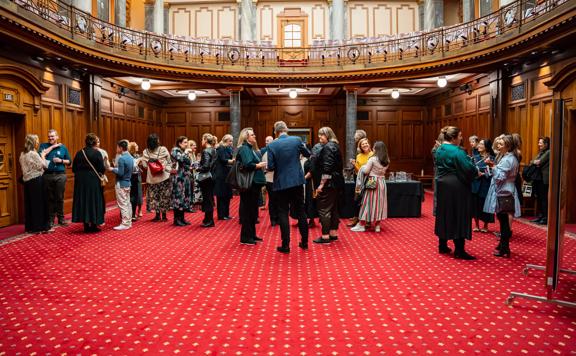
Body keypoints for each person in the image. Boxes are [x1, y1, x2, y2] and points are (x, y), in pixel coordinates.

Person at [434, 126, 478, 260]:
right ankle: (459, 250)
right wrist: (476, 171)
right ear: (453, 138)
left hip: (442, 184)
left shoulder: (439, 149)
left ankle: (442, 245)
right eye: (459, 136)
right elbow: (468, 168)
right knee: (459, 214)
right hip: (456, 186)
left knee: (444, 213)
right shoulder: (457, 151)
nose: (461, 138)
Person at [267, 121, 311, 253]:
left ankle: (285, 245)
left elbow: (271, 166)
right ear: (286, 129)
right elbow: (308, 154)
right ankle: (304, 242)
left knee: (283, 213)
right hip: (297, 181)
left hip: (281, 183)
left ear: (275, 132)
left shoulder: (272, 145)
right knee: (301, 211)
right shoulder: (297, 140)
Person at [484, 135, 521, 257]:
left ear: (508, 146)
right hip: (506, 190)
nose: (498, 146)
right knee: (502, 220)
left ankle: (505, 248)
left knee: (504, 222)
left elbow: (500, 177)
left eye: (500, 144)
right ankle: (502, 245)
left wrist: (492, 166)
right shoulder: (509, 157)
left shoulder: (507, 159)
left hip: (504, 191)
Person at [313, 127, 344, 244]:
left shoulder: (327, 147)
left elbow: (327, 169)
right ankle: (333, 234)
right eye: (319, 135)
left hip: (329, 183)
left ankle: (325, 236)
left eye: (322, 135)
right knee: (334, 209)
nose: (319, 137)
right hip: (336, 183)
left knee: (324, 209)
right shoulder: (335, 146)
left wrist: (321, 185)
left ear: (328, 135)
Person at [236, 128, 267, 245]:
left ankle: (252, 235)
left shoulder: (249, 148)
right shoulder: (244, 148)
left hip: (254, 183)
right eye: (252, 135)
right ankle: (245, 237)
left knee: (253, 210)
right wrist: (259, 165)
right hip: (249, 183)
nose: (254, 136)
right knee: (248, 210)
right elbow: (248, 164)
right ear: (246, 137)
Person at [351, 141, 389, 233]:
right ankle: (377, 226)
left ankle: (362, 224)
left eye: (374, 147)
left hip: (372, 181)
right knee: (380, 204)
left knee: (368, 203)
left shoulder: (373, 159)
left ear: (376, 149)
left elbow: (366, 171)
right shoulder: (387, 160)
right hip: (382, 182)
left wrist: (363, 167)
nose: (373, 148)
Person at [71, 133, 106, 233]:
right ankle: (94, 224)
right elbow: (102, 169)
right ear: (94, 142)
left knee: (83, 201)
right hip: (93, 181)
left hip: (80, 182)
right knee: (93, 201)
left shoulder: (79, 153)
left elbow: (74, 169)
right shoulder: (97, 153)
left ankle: (86, 225)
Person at [19, 134, 53, 234]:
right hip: (37, 180)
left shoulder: (22, 154)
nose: (38, 142)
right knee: (40, 204)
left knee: (30, 204)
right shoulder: (33, 153)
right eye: (37, 140)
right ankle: (40, 227)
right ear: (33, 142)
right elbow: (44, 165)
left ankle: (30, 227)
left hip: (27, 181)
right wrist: (43, 156)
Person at [39, 129, 71, 228]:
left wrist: (61, 160)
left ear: (57, 137)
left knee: (59, 197)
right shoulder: (43, 146)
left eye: (52, 136)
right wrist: (53, 146)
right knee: (50, 198)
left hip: (60, 175)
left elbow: (69, 162)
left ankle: (61, 219)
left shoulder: (63, 148)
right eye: (49, 136)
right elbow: (41, 156)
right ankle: (51, 220)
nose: (50, 138)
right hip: (47, 175)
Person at [140, 133, 172, 222]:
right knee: (164, 195)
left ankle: (157, 215)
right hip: (164, 176)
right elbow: (169, 161)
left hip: (152, 178)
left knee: (155, 196)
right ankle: (164, 216)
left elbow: (145, 166)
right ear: (157, 141)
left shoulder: (145, 152)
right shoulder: (163, 149)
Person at [109, 140, 134, 230]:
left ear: (120, 148)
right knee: (128, 203)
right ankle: (129, 222)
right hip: (128, 183)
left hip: (121, 183)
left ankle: (125, 223)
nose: (116, 149)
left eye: (117, 147)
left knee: (123, 204)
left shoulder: (122, 158)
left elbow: (120, 173)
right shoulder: (130, 157)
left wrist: (112, 169)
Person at [471, 139, 495, 233]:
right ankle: (476, 225)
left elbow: (494, 171)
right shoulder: (475, 157)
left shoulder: (492, 158)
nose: (479, 145)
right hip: (476, 183)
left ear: (486, 146)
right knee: (475, 204)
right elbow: (471, 169)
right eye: (479, 143)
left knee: (485, 203)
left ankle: (485, 225)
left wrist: (484, 174)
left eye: (481, 144)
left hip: (486, 183)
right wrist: (476, 173)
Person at [349, 138, 374, 227]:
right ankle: (356, 218)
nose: (365, 145)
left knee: (369, 200)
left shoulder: (373, 155)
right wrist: (354, 164)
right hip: (359, 180)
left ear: (369, 144)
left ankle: (368, 220)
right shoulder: (359, 156)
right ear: (360, 146)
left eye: (366, 143)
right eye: (362, 144)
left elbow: (369, 170)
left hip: (371, 179)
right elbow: (358, 171)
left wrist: (355, 164)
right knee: (357, 199)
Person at [170, 136, 193, 226]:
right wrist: (186, 153)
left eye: (187, 142)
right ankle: (177, 219)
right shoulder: (175, 150)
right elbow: (181, 159)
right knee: (178, 198)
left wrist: (186, 154)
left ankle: (182, 218)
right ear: (179, 143)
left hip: (185, 177)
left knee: (184, 198)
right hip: (178, 178)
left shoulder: (183, 151)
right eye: (185, 142)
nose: (187, 144)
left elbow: (188, 162)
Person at [197, 133, 217, 227]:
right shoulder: (214, 150)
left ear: (205, 140)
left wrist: (197, 168)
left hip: (206, 178)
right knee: (209, 198)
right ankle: (207, 219)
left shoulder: (206, 151)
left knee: (207, 199)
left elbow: (206, 166)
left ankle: (209, 221)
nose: (201, 141)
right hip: (212, 177)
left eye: (202, 139)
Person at [214, 134, 235, 220]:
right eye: (230, 141)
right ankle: (221, 215)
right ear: (226, 141)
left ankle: (226, 214)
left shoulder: (228, 148)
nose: (231, 143)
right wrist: (231, 161)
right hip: (221, 175)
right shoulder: (220, 148)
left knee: (227, 195)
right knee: (221, 196)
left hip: (227, 174)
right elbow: (223, 160)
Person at [530, 137, 550, 225]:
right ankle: (541, 216)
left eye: (540, 143)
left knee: (543, 199)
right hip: (538, 178)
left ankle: (545, 217)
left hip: (544, 179)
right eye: (538, 142)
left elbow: (539, 162)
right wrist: (535, 162)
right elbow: (532, 162)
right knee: (539, 197)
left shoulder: (549, 152)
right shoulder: (541, 152)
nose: (539, 144)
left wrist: (536, 162)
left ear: (546, 144)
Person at [261, 136, 278, 226]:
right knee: (273, 200)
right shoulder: (267, 153)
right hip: (270, 179)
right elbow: (266, 167)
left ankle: (276, 218)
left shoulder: (269, 151)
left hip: (274, 179)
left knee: (276, 200)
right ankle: (274, 219)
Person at [128, 142, 143, 220]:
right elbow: (133, 166)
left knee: (138, 194)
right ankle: (131, 213)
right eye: (136, 145)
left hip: (137, 176)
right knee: (132, 195)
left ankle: (137, 211)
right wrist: (138, 161)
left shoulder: (137, 155)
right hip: (131, 177)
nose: (138, 146)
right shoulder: (128, 156)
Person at [189, 140, 200, 212]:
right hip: (189, 175)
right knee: (189, 190)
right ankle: (189, 205)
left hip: (193, 174)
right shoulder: (188, 154)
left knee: (192, 189)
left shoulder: (193, 154)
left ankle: (191, 204)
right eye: (193, 145)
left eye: (195, 145)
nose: (195, 146)